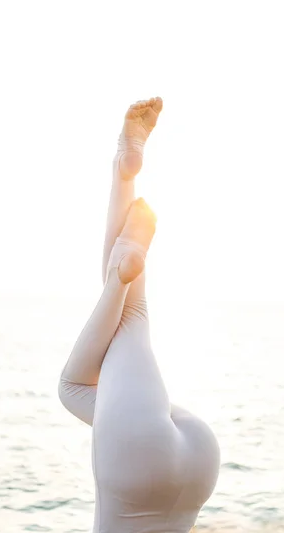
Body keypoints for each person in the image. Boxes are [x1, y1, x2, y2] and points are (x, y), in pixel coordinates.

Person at [58, 97, 220, 533]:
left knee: (80, 389)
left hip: (197, 458)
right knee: (125, 323)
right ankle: (120, 268)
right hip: (147, 453)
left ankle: (122, 185)